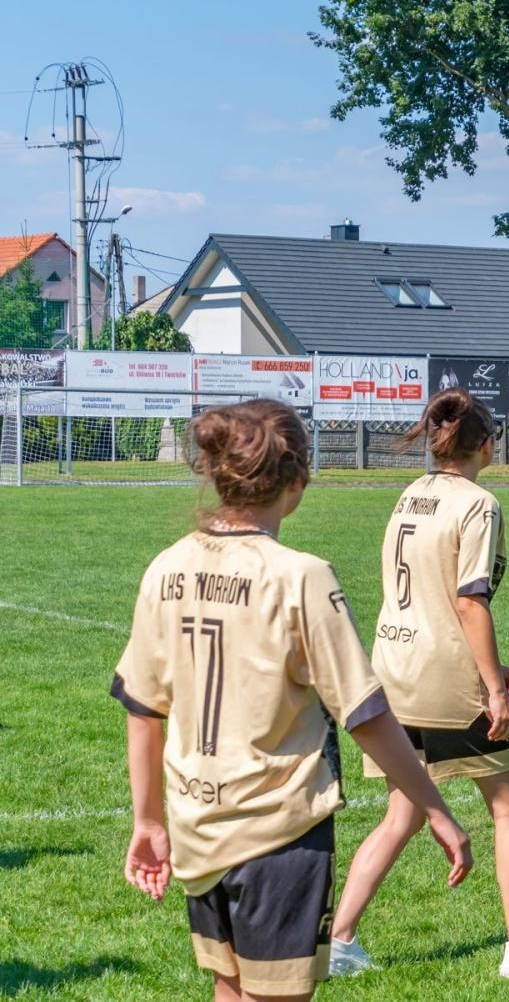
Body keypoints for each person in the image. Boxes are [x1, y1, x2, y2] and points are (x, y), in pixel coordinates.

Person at [113, 399, 472, 1002]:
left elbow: (143, 708)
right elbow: (365, 714)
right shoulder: (301, 575)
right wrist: (434, 807)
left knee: (230, 989)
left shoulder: (165, 567)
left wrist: (148, 820)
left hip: (197, 828)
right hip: (278, 833)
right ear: (298, 481)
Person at [330, 389, 509, 979]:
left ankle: (338, 941)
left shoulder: (410, 494)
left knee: (403, 814)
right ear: (487, 446)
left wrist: (495, 668)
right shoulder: (479, 504)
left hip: (393, 673)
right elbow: (467, 603)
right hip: (446, 681)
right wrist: (494, 688)